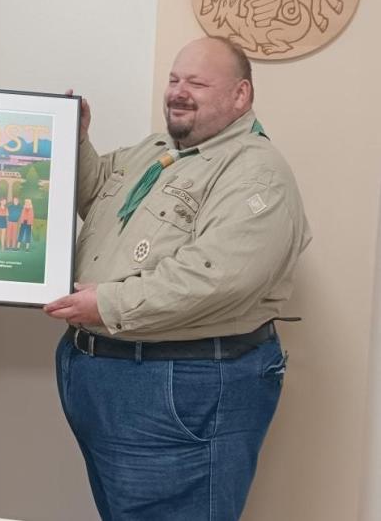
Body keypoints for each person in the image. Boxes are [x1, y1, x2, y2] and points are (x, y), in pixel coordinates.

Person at [44, 36, 310, 521]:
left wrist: (108, 305)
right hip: (110, 377)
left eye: (197, 83)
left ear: (241, 95)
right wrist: (74, 141)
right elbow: (97, 193)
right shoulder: (158, 150)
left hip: (179, 385)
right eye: (174, 79)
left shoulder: (256, 174)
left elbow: (218, 278)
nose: (178, 92)